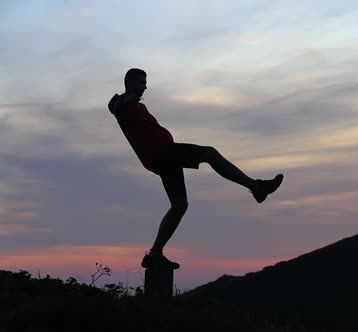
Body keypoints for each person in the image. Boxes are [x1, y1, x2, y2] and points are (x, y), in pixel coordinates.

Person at [108, 68, 283, 269]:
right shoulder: (120, 104)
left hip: (164, 158)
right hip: (164, 153)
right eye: (141, 82)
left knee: (180, 205)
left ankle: (154, 254)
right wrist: (130, 96)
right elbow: (119, 109)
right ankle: (256, 186)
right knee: (209, 153)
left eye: (145, 82)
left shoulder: (131, 104)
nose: (145, 87)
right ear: (129, 83)